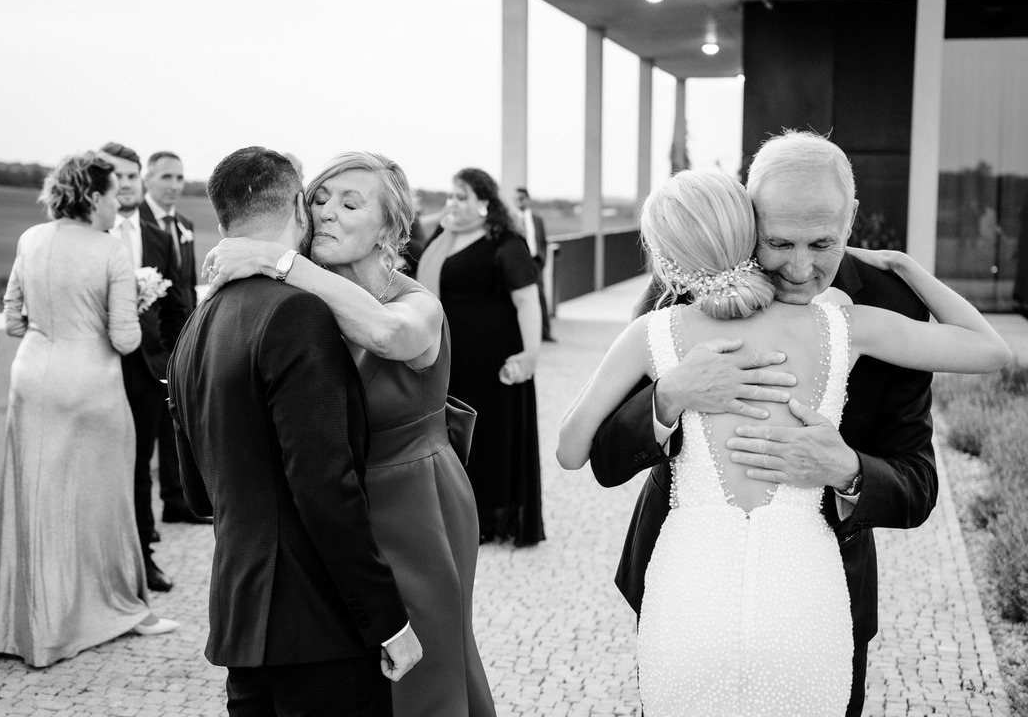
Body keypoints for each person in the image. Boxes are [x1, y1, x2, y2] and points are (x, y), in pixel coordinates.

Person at [586, 130, 1008, 716]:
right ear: (748, 213)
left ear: (852, 218)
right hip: (684, 584)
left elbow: (918, 483)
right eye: (779, 242)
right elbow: (604, 457)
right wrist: (668, 396)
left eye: (822, 243)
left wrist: (848, 468)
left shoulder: (892, 305)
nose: (800, 268)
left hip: (822, 594)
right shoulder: (686, 280)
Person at [201, 150, 497, 717]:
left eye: (350, 202)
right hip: (333, 505)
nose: (327, 212)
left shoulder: (416, 304)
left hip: (414, 502)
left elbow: (387, 336)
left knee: (423, 668)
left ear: (388, 227)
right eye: (319, 199)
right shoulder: (298, 307)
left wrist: (277, 259)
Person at [167, 147, 422, 716]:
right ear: (298, 212)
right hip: (318, 628)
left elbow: (197, 492)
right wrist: (388, 621)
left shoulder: (197, 324)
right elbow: (325, 486)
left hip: (242, 619)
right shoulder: (297, 314)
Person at [0, 152, 179, 669]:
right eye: (111, 195)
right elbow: (127, 340)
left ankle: (29, 617)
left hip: (32, 377)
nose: (117, 203)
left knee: (35, 497)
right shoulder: (109, 251)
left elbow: (14, 319)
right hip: (89, 384)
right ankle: (123, 609)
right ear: (92, 198)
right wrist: (134, 303)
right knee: (104, 499)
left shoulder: (30, 239)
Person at [416, 168, 545, 546]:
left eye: (462, 197)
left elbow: (527, 302)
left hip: (493, 360)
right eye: (451, 197)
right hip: (454, 357)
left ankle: (491, 517)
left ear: (485, 204)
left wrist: (530, 355)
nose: (453, 204)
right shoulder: (445, 235)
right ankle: (456, 512)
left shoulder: (506, 242)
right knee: (453, 433)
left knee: (490, 436)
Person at [98, 142, 188, 593]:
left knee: (138, 466)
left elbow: (173, 308)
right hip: (93, 366)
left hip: (146, 369)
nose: (127, 183)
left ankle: (141, 560)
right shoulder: (87, 234)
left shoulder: (157, 236)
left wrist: (170, 365)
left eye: (133, 175)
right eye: (118, 175)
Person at [141, 150, 209, 528]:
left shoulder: (184, 224)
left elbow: (184, 285)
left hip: (180, 339)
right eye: (166, 177)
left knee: (175, 422)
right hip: (146, 345)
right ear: (148, 178)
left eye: (180, 178)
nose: (174, 185)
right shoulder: (135, 222)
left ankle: (177, 500)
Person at [514, 186, 553, 342]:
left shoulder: (536, 220)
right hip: (518, 263)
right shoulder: (511, 219)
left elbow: (543, 241)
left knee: (541, 297)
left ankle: (545, 333)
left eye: (522, 198)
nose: (519, 201)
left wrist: (542, 259)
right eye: (516, 198)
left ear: (527, 199)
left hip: (535, 261)